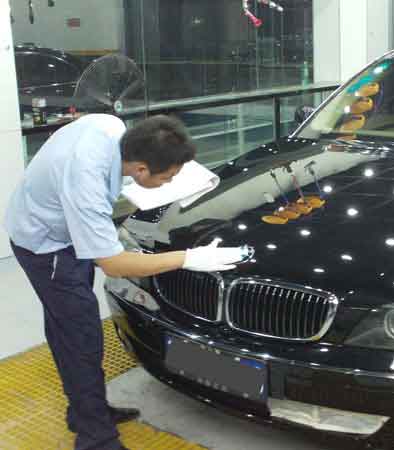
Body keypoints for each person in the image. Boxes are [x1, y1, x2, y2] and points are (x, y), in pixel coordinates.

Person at [4, 114, 245, 450]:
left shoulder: (112, 127)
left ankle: (86, 412)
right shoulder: (86, 182)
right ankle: (96, 438)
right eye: (167, 179)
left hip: (61, 223)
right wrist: (189, 258)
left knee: (68, 327)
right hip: (46, 244)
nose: (169, 184)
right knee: (80, 337)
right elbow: (114, 265)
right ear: (141, 169)